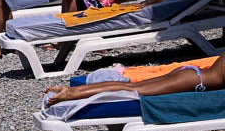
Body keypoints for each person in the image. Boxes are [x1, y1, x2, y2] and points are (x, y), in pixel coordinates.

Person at [44, 50, 225, 107]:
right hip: (195, 80)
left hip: (191, 73)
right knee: (133, 90)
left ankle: (72, 91)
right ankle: (70, 93)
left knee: (131, 85)